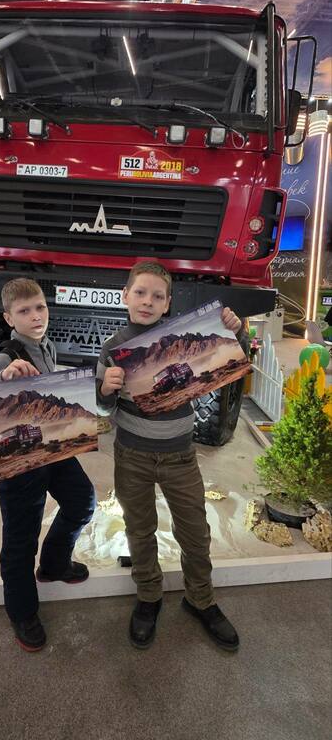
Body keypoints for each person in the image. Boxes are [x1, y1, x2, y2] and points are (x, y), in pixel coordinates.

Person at [96, 261, 242, 652]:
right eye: (140, 292)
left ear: (167, 303)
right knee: (139, 529)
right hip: (132, 456)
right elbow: (100, 411)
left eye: (157, 296)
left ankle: (201, 599)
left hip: (180, 456)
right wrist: (105, 389)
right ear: (125, 296)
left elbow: (225, 360)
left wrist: (235, 331)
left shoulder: (182, 338)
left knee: (195, 531)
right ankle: (148, 596)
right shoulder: (112, 348)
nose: (147, 301)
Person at [0, 277, 96, 652]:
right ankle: (22, 611)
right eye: (24, 311)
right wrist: (4, 377)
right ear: (8, 318)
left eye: (40, 308)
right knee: (20, 538)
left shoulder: (47, 346)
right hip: (21, 465)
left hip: (51, 449)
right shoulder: (7, 356)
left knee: (82, 500)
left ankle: (54, 564)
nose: (35, 316)